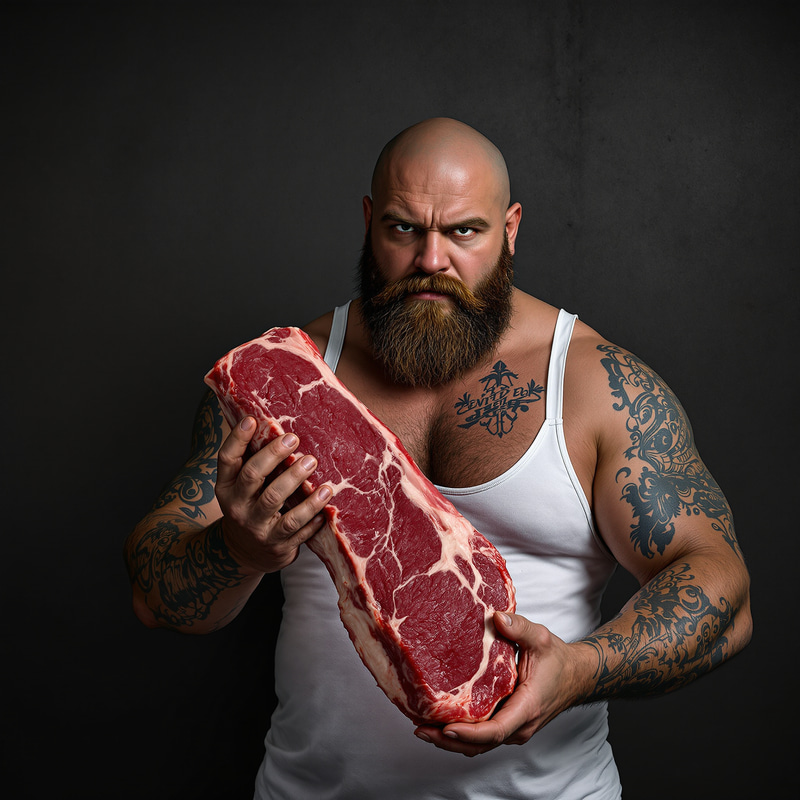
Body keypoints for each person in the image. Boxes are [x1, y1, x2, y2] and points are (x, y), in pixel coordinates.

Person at [124, 117, 752, 799]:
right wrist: (241, 548)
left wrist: (583, 670)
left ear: (510, 230)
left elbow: (720, 586)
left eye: (463, 232)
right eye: (403, 229)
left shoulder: (596, 386)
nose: (431, 260)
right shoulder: (283, 379)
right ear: (369, 221)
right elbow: (156, 595)